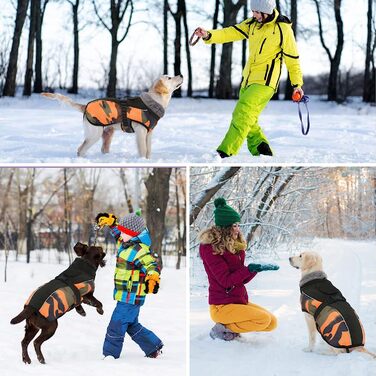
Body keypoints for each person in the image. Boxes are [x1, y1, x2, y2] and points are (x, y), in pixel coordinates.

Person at [193, 0, 304, 158]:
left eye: (258, 12)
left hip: (266, 82)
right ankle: (259, 146)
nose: (254, 15)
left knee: (243, 112)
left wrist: (297, 84)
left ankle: (225, 151)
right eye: (253, 11)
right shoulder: (252, 24)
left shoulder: (283, 29)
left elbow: (293, 59)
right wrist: (208, 35)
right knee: (247, 116)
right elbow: (230, 32)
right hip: (248, 79)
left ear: (267, 10)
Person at [199, 197, 279, 340]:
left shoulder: (236, 247)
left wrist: (255, 269)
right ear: (225, 228)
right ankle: (221, 329)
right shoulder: (210, 249)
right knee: (263, 320)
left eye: (238, 225)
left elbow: (240, 279)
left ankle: (229, 329)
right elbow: (226, 281)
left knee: (272, 322)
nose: (238, 229)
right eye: (234, 226)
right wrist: (247, 270)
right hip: (221, 306)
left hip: (237, 300)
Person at [95, 211, 163, 359]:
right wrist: (112, 223)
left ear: (133, 234)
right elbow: (118, 234)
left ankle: (110, 355)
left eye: (124, 232)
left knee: (116, 324)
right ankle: (153, 347)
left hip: (131, 296)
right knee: (131, 325)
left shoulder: (139, 250)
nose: (121, 234)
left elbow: (151, 265)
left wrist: (153, 277)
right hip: (125, 295)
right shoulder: (126, 243)